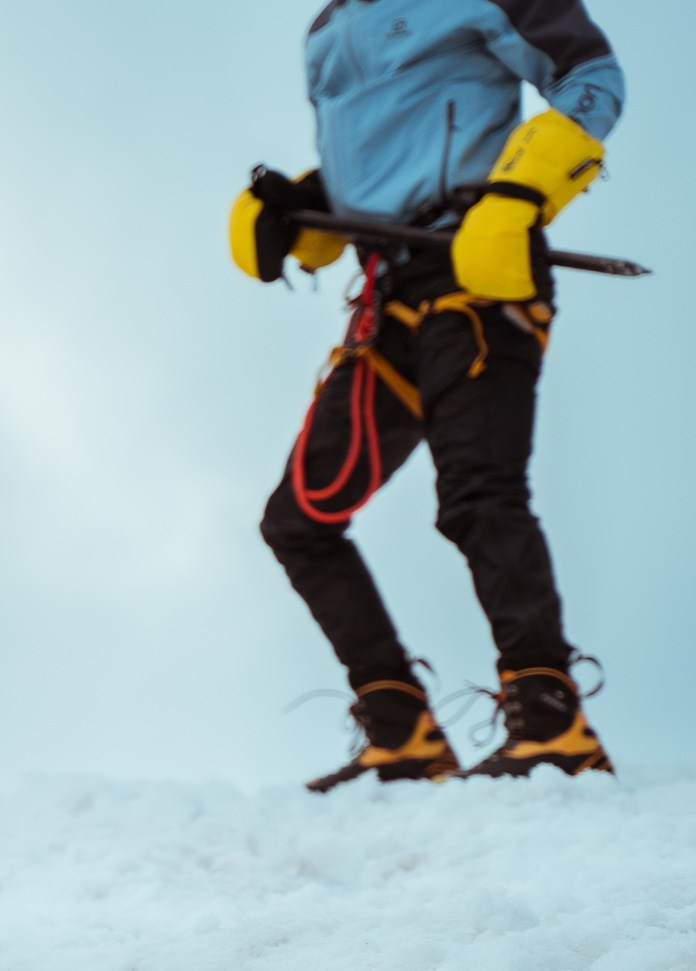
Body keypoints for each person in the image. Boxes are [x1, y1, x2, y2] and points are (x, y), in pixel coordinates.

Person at [232, 0, 623, 787]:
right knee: (298, 521)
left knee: (479, 494)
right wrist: (304, 211)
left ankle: (551, 721)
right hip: (387, 296)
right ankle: (400, 732)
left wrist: (519, 196)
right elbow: (383, 158)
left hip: (478, 273)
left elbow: (593, 77)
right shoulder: (327, 27)